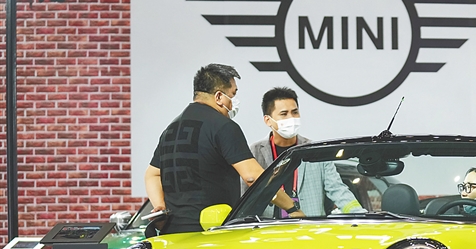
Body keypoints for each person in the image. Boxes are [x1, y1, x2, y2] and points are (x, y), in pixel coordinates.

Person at [145, 65, 303, 235]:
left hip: (172, 234)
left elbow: (152, 175)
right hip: (212, 235)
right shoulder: (224, 127)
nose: (234, 101)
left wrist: (160, 206)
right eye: (233, 94)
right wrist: (292, 208)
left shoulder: (171, 129)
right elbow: (252, 176)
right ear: (219, 97)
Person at [247, 87, 365, 217]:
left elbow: (337, 189)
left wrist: (359, 215)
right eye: (284, 114)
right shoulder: (255, 152)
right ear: (268, 120)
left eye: (295, 112)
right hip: (268, 227)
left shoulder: (316, 150)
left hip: (309, 226)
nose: (291, 118)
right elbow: (245, 196)